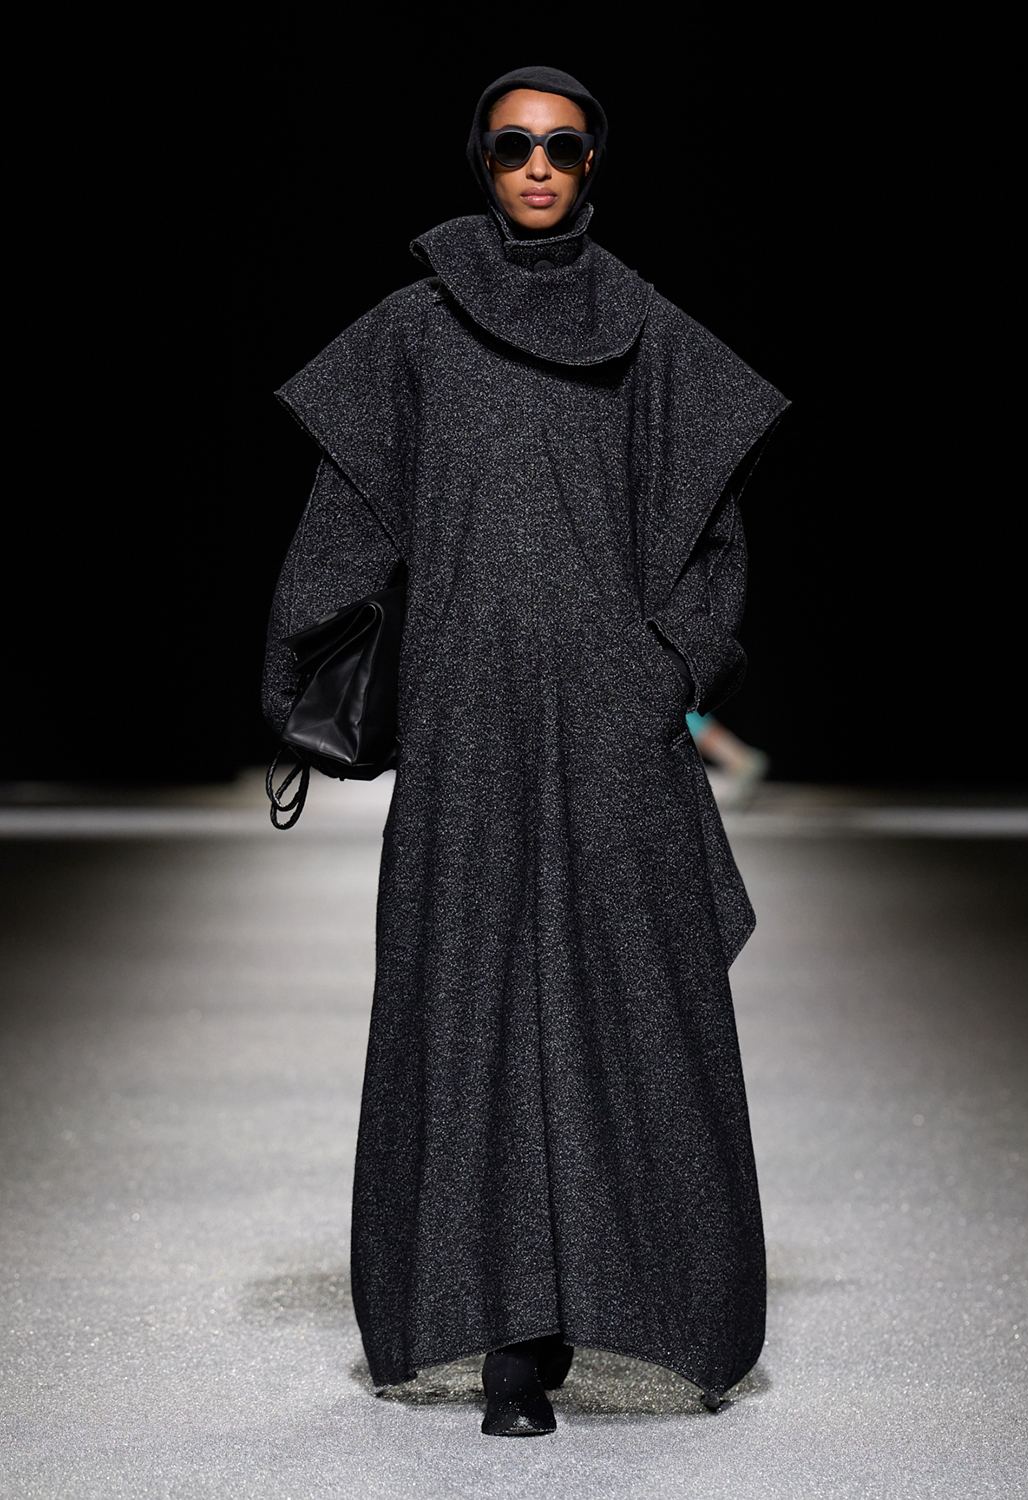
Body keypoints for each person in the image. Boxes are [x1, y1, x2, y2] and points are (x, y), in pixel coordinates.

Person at [263, 65, 788, 1438]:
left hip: (613, 726)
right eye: (514, 145)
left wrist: (673, 668)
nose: (539, 165)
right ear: (482, 161)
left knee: (634, 1005)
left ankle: (656, 1307)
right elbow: (348, 511)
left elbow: (713, 528)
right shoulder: (413, 331)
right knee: (472, 1007)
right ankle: (510, 1338)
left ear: (594, 161)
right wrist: (309, 668)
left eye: (562, 145)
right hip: (468, 721)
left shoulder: (651, 332)